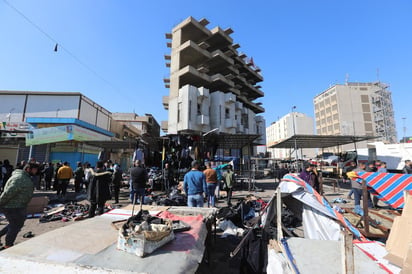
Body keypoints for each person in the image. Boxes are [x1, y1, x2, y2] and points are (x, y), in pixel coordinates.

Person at [0, 162, 38, 249]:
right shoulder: (20, 178)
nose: (36, 172)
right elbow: (8, 193)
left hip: (18, 205)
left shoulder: (24, 177)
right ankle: (8, 245)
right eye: (34, 170)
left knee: (14, 224)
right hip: (13, 207)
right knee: (15, 226)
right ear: (28, 169)